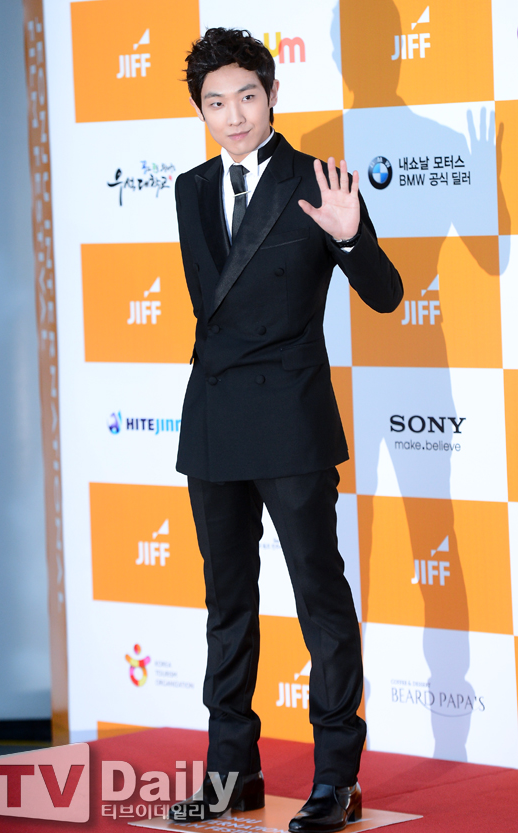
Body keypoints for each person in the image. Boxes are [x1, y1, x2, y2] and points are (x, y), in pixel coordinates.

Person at [170, 27, 403, 833]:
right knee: (226, 603)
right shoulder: (191, 187)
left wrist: (350, 234)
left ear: (273, 95)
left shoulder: (317, 181)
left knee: (319, 597)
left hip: (291, 420)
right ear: (201, 111)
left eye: (247, 96)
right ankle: (232, 772)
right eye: (216, 102)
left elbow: (385, 294)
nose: (234, 116)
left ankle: (337, 776)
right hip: (213, 421)